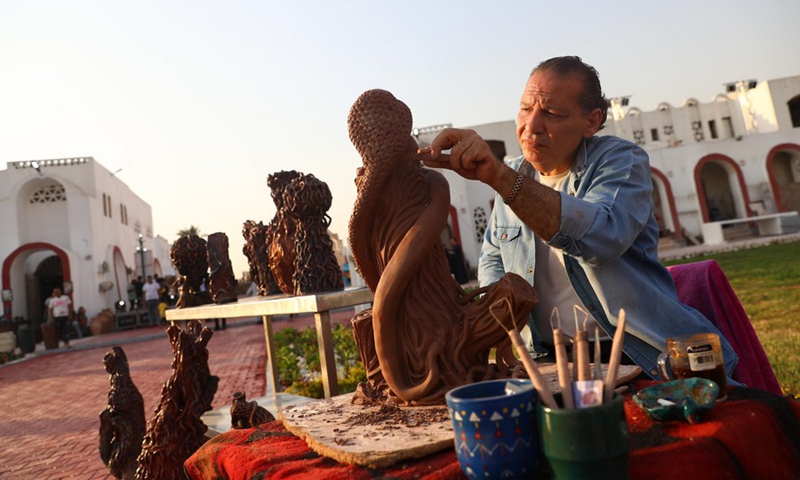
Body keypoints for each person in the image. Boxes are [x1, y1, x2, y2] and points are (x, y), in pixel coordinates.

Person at [418, 56, 738, 381]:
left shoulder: (621, 161)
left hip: (639, 355)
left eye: (552, 113)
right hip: (550, 361)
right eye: (526, 109)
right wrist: (489, 321)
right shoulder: (513, 174)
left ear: (591, 121)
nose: (532, 126)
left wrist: (500, 178)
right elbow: (494, 261)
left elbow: (600, 237)